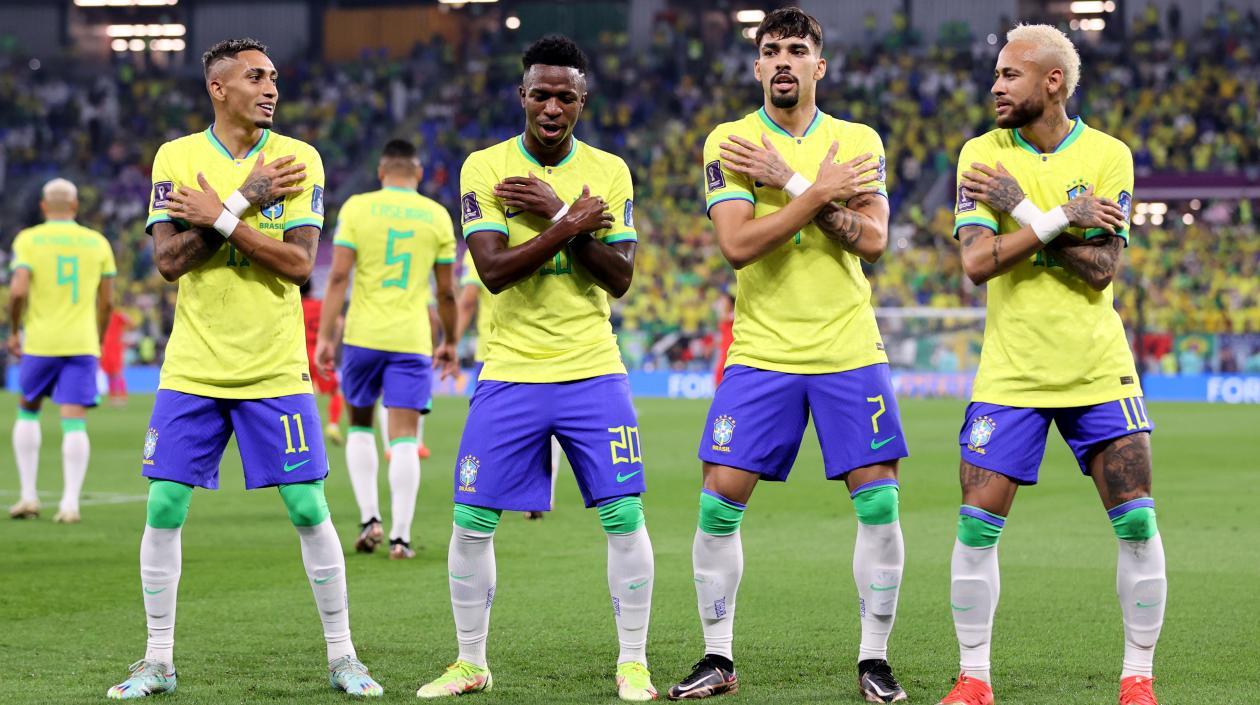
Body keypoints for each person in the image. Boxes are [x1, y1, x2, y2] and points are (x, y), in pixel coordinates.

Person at [107, 38, 381, 699]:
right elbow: (170, 261)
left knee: (309, 505)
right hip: (193, 367)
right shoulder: (176, 156)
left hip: (274, 369)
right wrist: (245, 201)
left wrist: (229, 210)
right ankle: (157, 659)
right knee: (165, 504)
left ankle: (344, 656)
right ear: (218, 88)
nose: (270, 88)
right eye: (255, 76)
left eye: (275, 77)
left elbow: (296, 266)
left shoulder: (298, 160)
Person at [669, 8, 909, 702]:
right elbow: (739, 244)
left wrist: (794, 182)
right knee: (718, 505)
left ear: (818, 66)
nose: (782, 60)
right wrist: (821, 191)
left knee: (879, 505)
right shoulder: (731, 140)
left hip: (847, 348)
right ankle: (717, 655)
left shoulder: (857, 139)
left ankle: (874, 659)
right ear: (756, 66)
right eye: (770, 49)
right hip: (763, 351)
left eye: (796, 50)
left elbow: (872, 240)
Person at [415, 35, 656, 702]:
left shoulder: (610, 169)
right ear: (522, 97)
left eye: (566, 96)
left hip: (592, 370)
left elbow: (620, 278)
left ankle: (632, 660)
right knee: (470, 519)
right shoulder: (485, 167)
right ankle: (470, 661)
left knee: (623, 515)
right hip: (510, 370)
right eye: (541, 94)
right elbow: (492, 272)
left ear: (583, 102)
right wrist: (572, 222)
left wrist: (553, 214)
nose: (552, 106)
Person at [938, 24, 1162, 705]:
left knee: (1137, 523)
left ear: (1052, 82)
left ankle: (1137, 678)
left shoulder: (1108, 155)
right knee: (976, 525)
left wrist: (1027, 215)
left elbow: (1101, 268)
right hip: (1011, 373)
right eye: (996, 75)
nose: (995, 86)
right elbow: (977, 262)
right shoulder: (981, 154)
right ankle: (974, 678)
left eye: (1010, 75)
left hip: (1098, 370)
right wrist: (1063, 216)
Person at [315, 138, 459, 560]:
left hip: (362, 336)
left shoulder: (358, 208)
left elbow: (338, 277)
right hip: (411, 340)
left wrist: (326, 337)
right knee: (403, 437)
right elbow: (446, 292)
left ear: (382, 173)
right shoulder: (436, 216)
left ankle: (368, 519)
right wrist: (449, 341)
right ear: (417, 174)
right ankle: (400, 537)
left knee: (359, 424)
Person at [7, 177, 115, 524]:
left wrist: (13, 331)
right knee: (74, 421)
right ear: (74, 206)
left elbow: (18, 291)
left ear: (43, 206)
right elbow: (108, 300)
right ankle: (70, 504)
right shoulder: (96, 242)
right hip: (81, 342)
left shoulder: (28, 239)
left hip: (40, 342)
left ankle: (28, 496)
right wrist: (96, 337)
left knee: (28, 410)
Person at [455, 247, 563, 520]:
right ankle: (543, 494)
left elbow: (468, 300)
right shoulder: (549, 239)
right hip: (547, 347)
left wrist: (450, 340)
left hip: (495, 352)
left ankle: (494, 492)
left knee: (496, 429)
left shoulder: (479, 248)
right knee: (553, 423)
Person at [301, 281, 346, 446]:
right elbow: (340, 322)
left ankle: (302, 432)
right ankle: (333, 425)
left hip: (300, 355)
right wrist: (331, 344)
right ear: (312, 288)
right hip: (320, 354)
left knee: (299, 395)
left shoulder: (294, 306)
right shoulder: (321, 305)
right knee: (335, 392)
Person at [101, 308, 133, 407]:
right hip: (105, 349)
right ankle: (113, 397)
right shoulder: (101, 316)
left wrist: (124, 336)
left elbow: (130, 323)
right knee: (109, 374)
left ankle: (122, 397)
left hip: (115, 348)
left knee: (117, 373)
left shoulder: (117, 315)